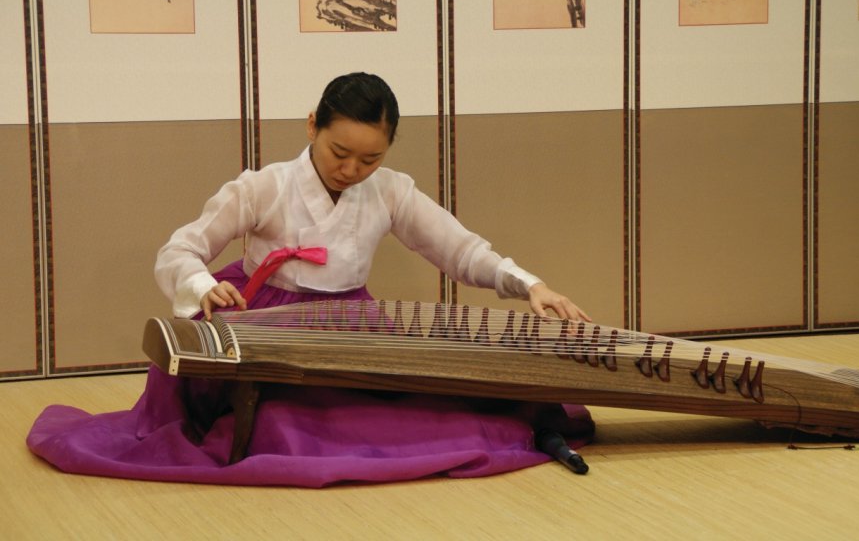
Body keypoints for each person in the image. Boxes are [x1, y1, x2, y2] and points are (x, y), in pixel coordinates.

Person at [27, 72, 594, 487]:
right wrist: (203, 288)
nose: (351, 170)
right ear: (311, 126)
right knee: (286, 427)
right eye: (339, 151)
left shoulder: (391, 190)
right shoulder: (264, 187)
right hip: (261, 318)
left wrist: (529, 284)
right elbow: (181, 248)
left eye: (369, 159)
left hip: (348, 323)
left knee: (419, 411)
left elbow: (458, 249)